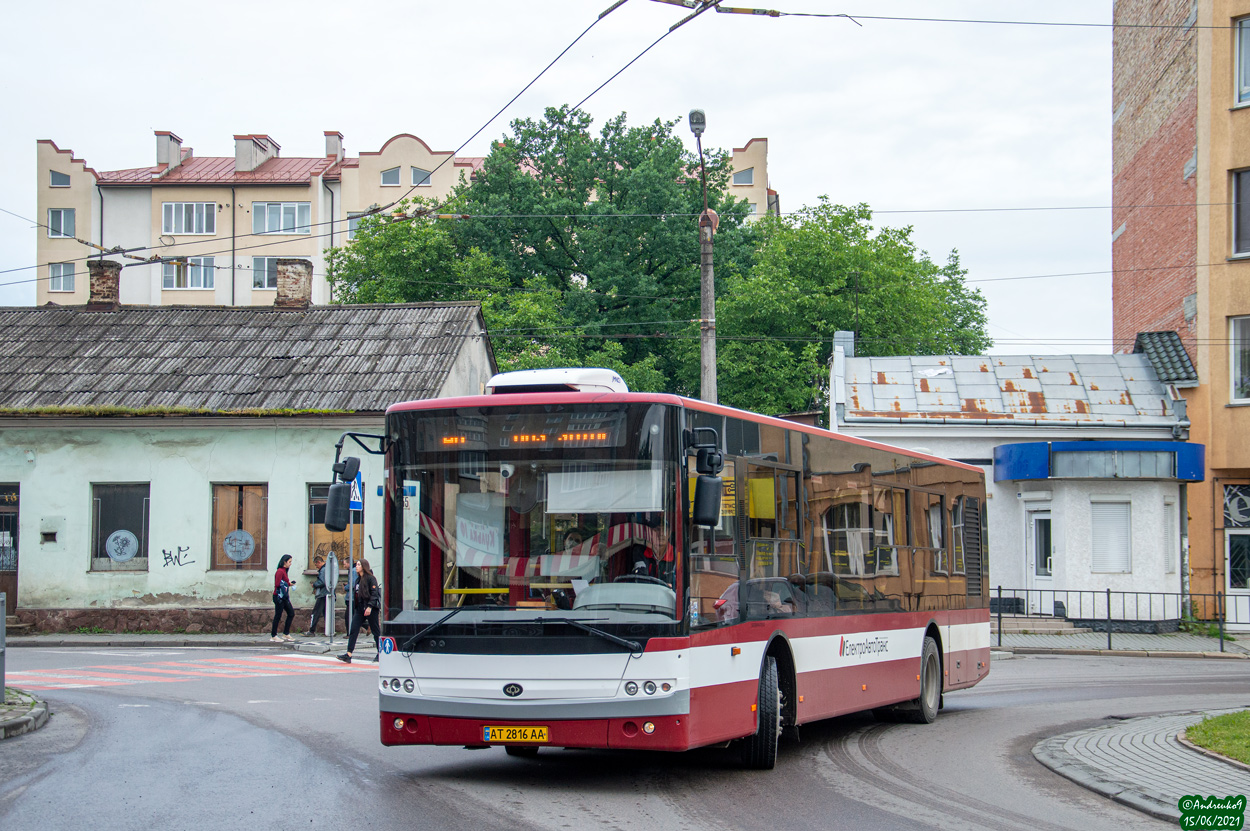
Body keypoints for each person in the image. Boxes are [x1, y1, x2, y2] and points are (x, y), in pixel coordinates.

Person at [338, 558, 380, 664]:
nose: (356, 566)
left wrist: (370, 607)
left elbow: (374, 594)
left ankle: (381, 653)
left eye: (358, 565)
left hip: (371, 609)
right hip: (360, 609)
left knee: (376, 631)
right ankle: (348, 654)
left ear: (364, 567)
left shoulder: (371, 578)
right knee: (353, 629)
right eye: (356, 565)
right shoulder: (358, 580)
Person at [270, 554, 295, 642]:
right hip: (278, 596)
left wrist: (289, 584)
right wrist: (285, 584)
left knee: (291, 613)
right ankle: (274, 635)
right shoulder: (280, 571)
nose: (290, 564)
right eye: (289, 562)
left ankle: (286, 633)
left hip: (284, 597)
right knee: (278, 615)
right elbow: (277, 584)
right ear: (284, 562)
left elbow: (283, 582)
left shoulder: (284, 571)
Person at [307, 555, 330, 636]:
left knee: (316, 612)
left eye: (316, 565)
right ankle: (329, 631)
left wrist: (315, 585)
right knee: (326, 613)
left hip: (323, 594)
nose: (316, 567)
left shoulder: (323, 570)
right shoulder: (327, 568)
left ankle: (311, 630)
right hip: (327, 594)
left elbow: (322, 582)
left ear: (319, 562)